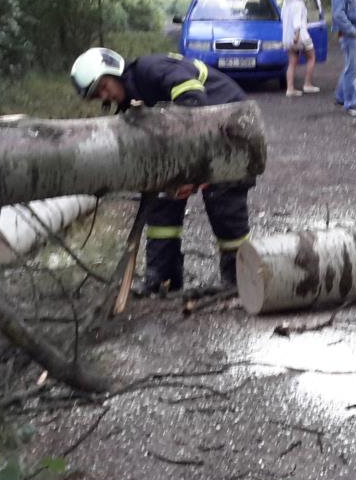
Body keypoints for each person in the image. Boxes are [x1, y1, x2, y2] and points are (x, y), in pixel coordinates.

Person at [70, 47, 253, 296]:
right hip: (201, 137)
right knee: (163, 202)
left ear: (113, 71)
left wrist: (192, 172)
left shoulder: (151, 71)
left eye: (104, 87)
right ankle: (162, 278)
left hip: (231, 130)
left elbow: (193, 102)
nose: (106, 96)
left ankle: (239, 280)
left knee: (223, 203)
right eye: (98, 95)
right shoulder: (130, 105)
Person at [282, 0, 318, 96]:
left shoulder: (287, 2)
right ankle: (307, 84)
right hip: (301, 35)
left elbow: (284, 19)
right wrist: (297, 35)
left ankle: (290, 88)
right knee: (311, 57)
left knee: (292, 62)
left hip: (287, 36)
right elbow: (297, 22)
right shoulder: (299, 4)